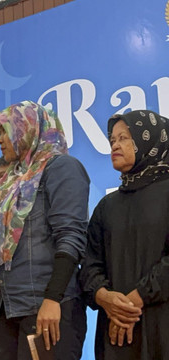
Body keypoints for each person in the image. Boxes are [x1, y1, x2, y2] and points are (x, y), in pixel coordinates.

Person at [0, 101, 89, 360]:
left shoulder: (61, 168)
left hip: (47, 307)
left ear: (27, 129)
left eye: (5, 131)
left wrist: (53, 298)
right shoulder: (7, 182)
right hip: (1, 311)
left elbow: (70, 237)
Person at [80, 109, 169, 359]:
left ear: (148, 139)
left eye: (124, 138)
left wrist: (134, 301)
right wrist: (105, 297)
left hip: (161, 329)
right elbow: (88, 266)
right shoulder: (106, 206)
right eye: (112, 141)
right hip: (116, 337)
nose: (114, 146)